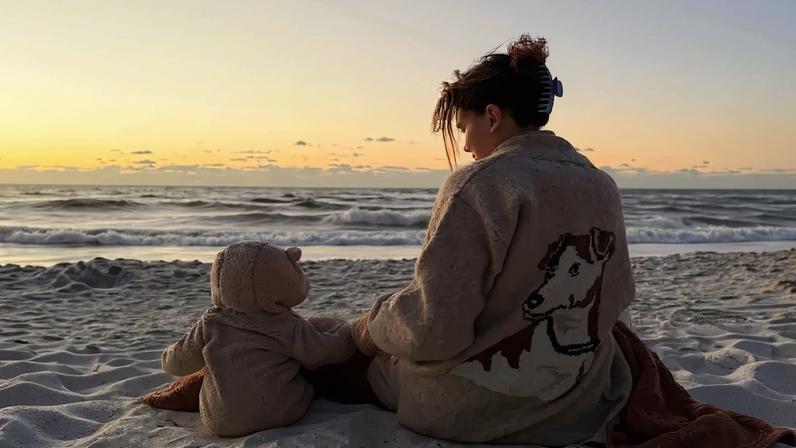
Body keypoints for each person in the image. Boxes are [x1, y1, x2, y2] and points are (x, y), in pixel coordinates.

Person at [349, 34, 636, 445]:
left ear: (493, 116)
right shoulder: (600, 183)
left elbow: (435, 330)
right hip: (580, 404)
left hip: (479, 410)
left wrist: (376, 320)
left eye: (465, 127)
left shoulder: (480, 184)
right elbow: (616, 297)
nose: (465, 144)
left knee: (363, 361)